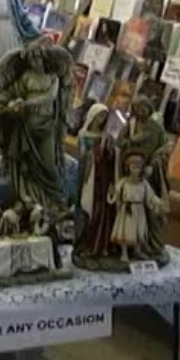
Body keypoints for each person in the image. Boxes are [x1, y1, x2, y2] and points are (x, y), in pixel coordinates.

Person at [0, 43, 72, 209]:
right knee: (25, 168)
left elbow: (49, 97)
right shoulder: (25, 77)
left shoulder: (52, 77)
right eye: (32, 58)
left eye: (38, 56)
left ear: (43, 57)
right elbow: (10, 92)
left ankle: (52, 200)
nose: (35, 61)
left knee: (49, 166)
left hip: (46, 127)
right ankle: (28, 200)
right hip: (27, 128)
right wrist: (3, 102)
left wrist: (25, 103)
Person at [74, 103, 117, 259]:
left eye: (104, 117)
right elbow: (83, 155)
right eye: (99, 117)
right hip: (88, 174)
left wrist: (109, 149)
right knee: (85, 204)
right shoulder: (83, 135)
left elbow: (111, 155)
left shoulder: (106, 136)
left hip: (102, 177)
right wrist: (94, 154)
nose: (101, 120)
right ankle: (83, 240)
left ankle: (99, 242)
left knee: (100, 208)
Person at [108, 151, 166, 263]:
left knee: (139, 230)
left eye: (138, 167)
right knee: (126, 230)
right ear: (128, 168)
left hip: (139, 210)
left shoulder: (143, 183)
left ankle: (137, 250)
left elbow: (150, 195)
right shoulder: (124, 182)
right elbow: (116, 192)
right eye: (133, 167)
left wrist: (159, 202)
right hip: (127, 210)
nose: (136, 170)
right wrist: (112, 193)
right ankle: (124, 253)